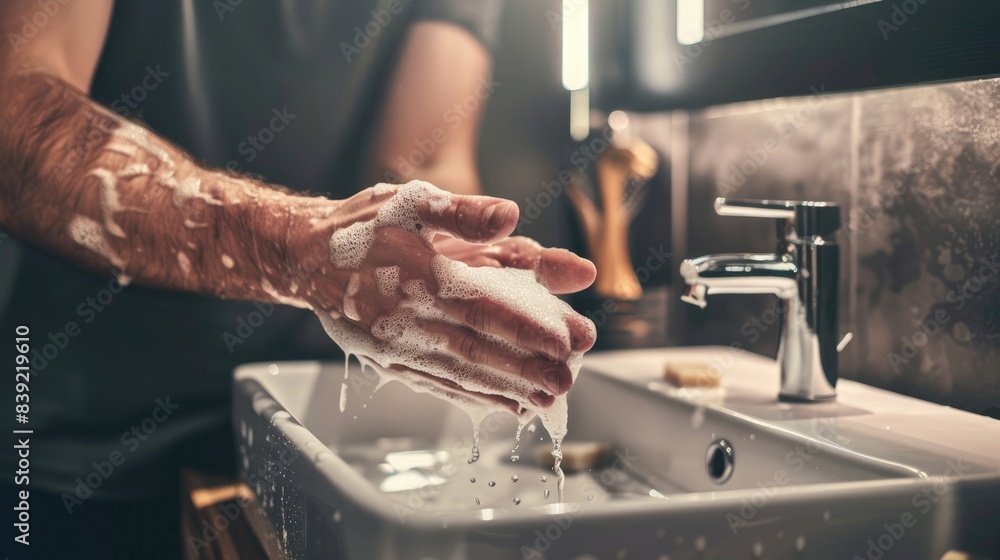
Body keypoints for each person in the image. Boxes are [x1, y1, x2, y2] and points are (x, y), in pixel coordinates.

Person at [0, 1, 596, 557]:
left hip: (299, 420)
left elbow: (424, 161)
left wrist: (441, 255)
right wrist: (300, 247)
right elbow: (14, 109)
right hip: (85, 432)